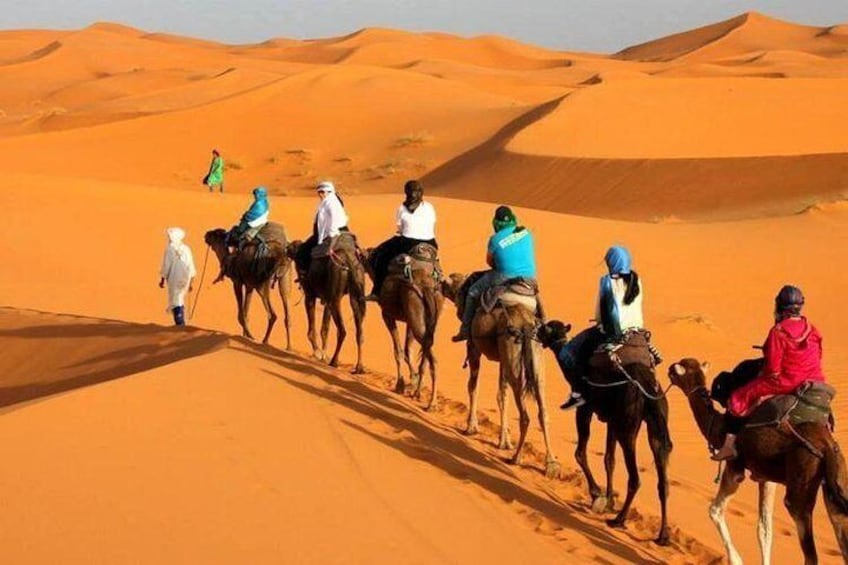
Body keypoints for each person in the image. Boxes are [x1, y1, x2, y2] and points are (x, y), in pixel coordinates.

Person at [711, 285, 825, 461]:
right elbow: (819, 355)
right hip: (813, 379)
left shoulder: (778, 332)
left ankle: (728, 446)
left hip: (786, 381)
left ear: (779, 306)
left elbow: (773, 369)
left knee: (739, 397)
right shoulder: (812, 329)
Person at [558, 245, 644, 411]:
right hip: (637, 331)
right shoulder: (637, 280)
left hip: (613, 333)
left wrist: (599, 322)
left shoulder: (606, 282)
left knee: (566, 352)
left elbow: (600, 313)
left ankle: (578, 393)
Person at [452, 205, 536, 342]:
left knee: (473, 292)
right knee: (535, 295)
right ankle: (543, 321)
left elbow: (490, 262)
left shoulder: (495, 239)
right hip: (529, 277)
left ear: (496, 223)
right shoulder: (526, 232)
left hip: (504, 275)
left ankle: (465, 330)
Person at [366, 179, 437, 300]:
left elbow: (400, 229)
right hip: (430, 242)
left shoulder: (402, 208)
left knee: (381, 256)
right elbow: (433, 223)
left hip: (407, 242)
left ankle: (377, 290)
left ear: (406, 193)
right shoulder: (430, 207)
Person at [294, 181, 349, 279]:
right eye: (319, 192)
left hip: (331, 233)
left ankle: (305, 275)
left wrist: (331, 234)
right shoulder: (328, 201)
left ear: (330, 192)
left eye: (323, 192)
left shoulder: (331, 202)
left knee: (303, 251)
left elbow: (334, 218)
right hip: (335, 231)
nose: (321, 194)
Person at [159, 227, 196, 326]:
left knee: (176, 299)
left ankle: (180, 324)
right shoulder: (186, 248)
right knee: (179, 298)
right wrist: (191, 281)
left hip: (174, 278)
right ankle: (180, 323)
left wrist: (162, 279)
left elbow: (166, 265)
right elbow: (191, 265)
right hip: (185, 278)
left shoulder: (170, 249)